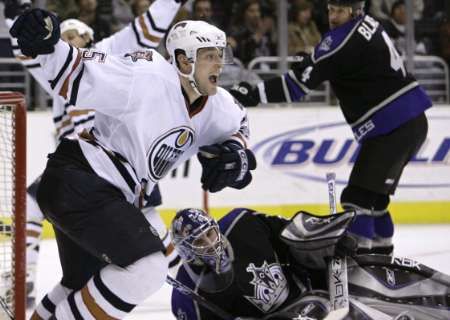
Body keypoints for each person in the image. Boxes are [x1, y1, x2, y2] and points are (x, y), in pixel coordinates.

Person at [10, 7, 256, 320]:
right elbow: (80, 70)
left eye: (221, 55)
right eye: (210, 55)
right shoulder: (146, 76)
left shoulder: (219, 106)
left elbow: (240, 125)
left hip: (101, 191)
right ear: (183, 60)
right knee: (149, 268)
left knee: (80, 283)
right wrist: (49, 44)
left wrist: (236, 152)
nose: (219, 63)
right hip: (80, 179)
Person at [4, 0, 184, 309]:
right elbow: (31, 44)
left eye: (78, 37)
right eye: (66, 36)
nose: (71, 42)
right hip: (80, 173)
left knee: (162, 248)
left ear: (90, 41)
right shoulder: (55, 70)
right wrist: (14, 14)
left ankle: (194, 281)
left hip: (121, 168)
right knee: (31, 206)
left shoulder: (108, 58)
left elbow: (144, 30)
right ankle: (25, 276)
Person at [229, 0, 432, 256]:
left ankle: (362, 265)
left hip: (393, 127)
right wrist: (316, 64)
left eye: (339, 11)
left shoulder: (338, 42)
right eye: (330, 9)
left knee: (355, 200)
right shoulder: (368, 24)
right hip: (409, 121)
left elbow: (294, 88)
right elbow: (348, 64)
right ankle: (382, 259)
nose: (333, 16)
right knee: (374, 201)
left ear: (355, 11)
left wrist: (253, 93)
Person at [170, 207, 450, 320]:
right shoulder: (188, 296)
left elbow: (289, 231)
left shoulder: (241, 223)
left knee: (368, 276)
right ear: (186, 250)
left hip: (309, 291)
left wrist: (327, 239)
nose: (210, 243)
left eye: (210, 233)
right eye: (199, 241)